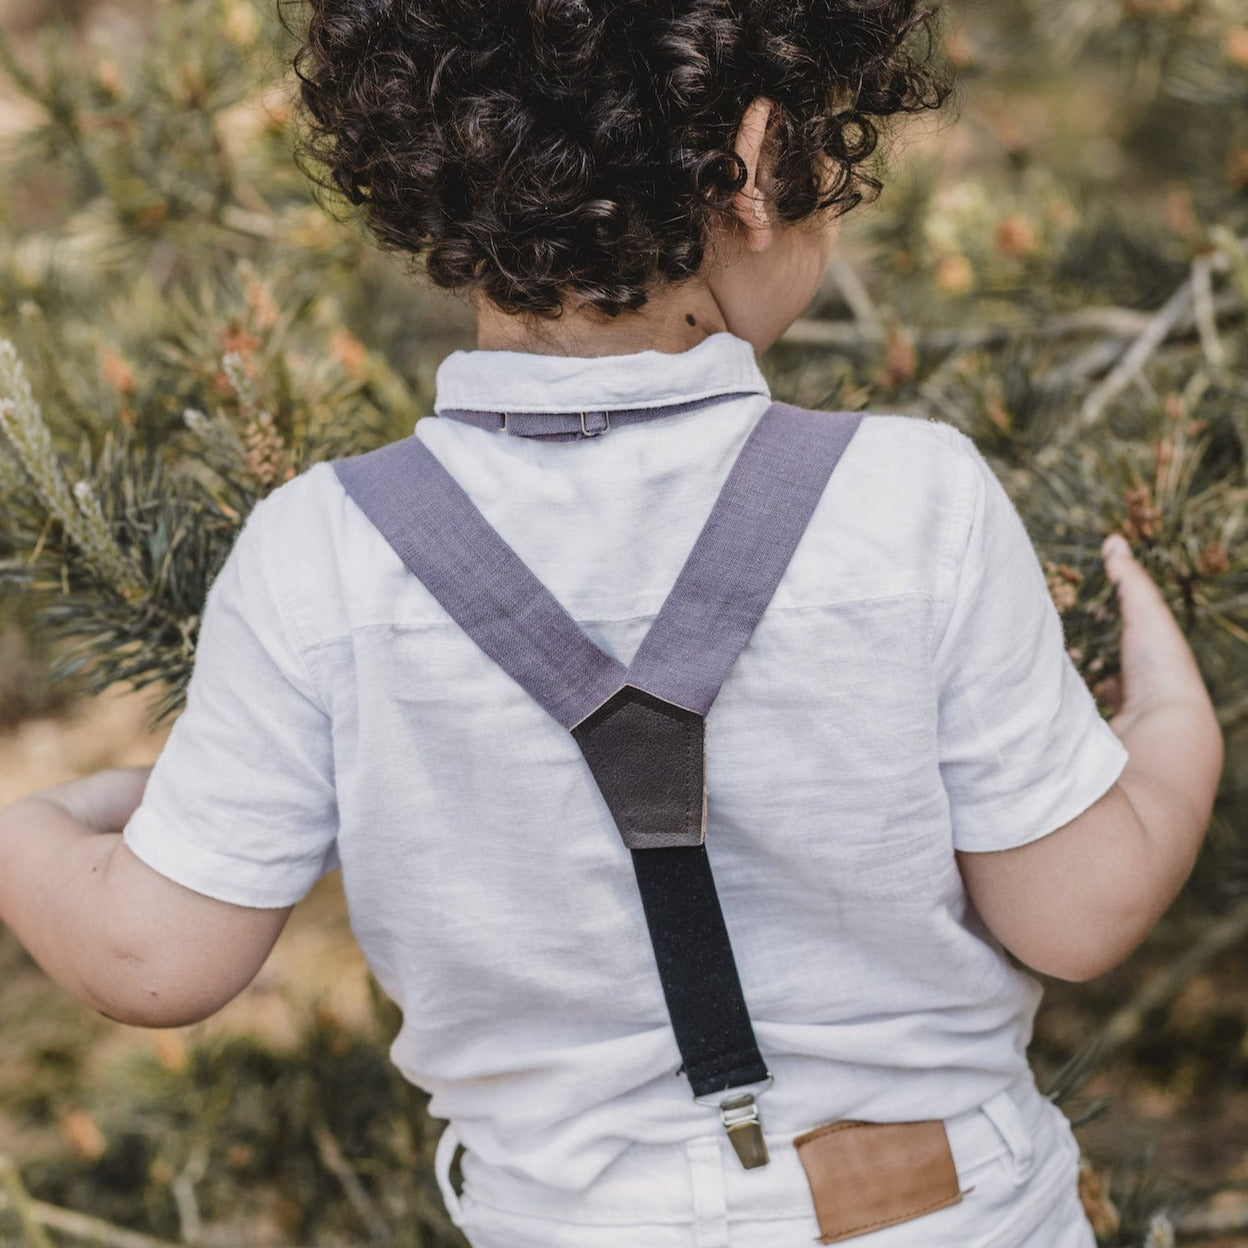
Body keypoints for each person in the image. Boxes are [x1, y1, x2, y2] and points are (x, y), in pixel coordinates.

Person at [0, 1, 1225, 1244]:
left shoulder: (321, 555)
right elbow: (1080, 913)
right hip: (949, 1213)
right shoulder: (912, 497)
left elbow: (149, 958)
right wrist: (1177, 723)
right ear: (753, 168)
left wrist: (39, 818)